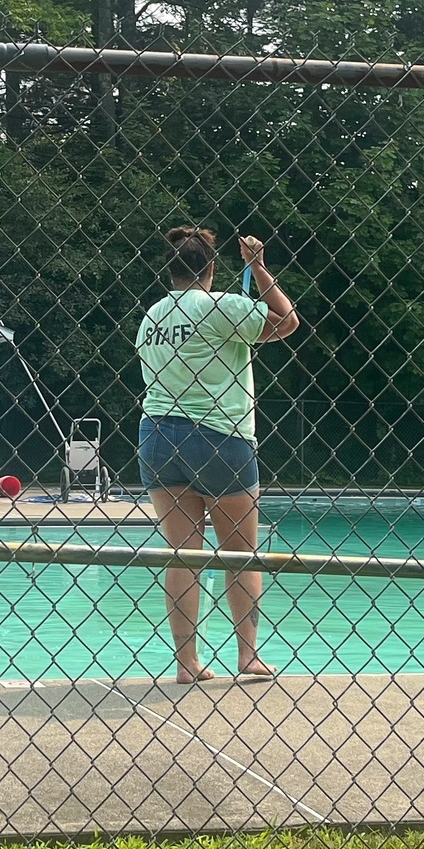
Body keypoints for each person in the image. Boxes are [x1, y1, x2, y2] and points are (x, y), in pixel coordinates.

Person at [135, 227, 299, 682]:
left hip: (157, 437)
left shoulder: (152, 317)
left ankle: (186, 663)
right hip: (219, 437)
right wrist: (257, 268)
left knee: (183, 554)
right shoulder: (222, 306)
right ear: (210, 267)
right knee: (241, 552)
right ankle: (248, 655)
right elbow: (287, 321)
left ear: (171, 269)